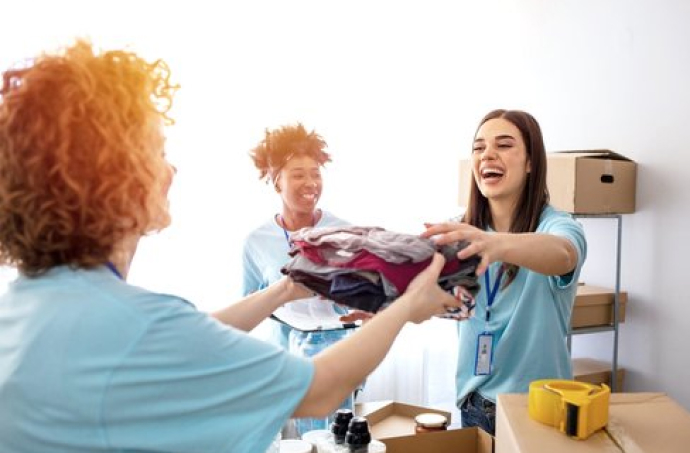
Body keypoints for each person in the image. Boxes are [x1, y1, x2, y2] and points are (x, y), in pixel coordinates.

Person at [0, 40, 461, 453]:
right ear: (111, 177)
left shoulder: (26, 307)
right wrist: (408, 306)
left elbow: (191, 334)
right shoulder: (139, 321)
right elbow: (319, 389)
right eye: (157, 152)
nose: (172, 170)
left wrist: (285, 290)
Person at [422, 109, 587, 435]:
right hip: (475, 404)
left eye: (504, 144)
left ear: (530, 162)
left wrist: (496, 243)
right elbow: (422, 286)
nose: (488, 155)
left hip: (538, 410)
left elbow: (564, 254)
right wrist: (380, 301)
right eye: (479, 147)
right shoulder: (460, 230)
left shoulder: (557, 225)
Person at [243, 123, 361, 436]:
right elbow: (248, 306)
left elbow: (365, 297)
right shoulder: (257, 242)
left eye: (315, 173)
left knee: (339, 442)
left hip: (339, 364)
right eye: (298, 174)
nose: (310, 182)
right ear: (275, 180)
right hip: (288, 365)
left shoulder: (345, 232)